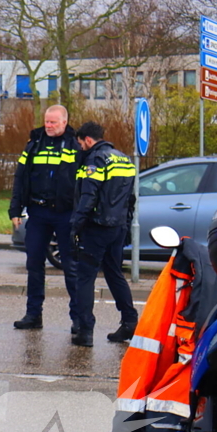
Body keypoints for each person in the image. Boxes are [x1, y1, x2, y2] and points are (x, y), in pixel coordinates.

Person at [9, 105, 82, 331]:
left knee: (71, 267)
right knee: (34, 265)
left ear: (64, 122)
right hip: (38, 212)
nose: (48, 126)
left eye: (53, 122)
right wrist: (15, 209)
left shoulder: (74, 145)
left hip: (65, 213)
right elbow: (20, 177)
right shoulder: (34, 144)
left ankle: (78, 319)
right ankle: (33, 315)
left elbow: (83, 182)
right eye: (47, 122)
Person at [70, 121, 139, 347]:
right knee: (114, 274)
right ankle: (129, 322)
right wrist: (126, 225)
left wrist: (76, 225)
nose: (80, 148)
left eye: (81, 144)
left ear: (88, 140)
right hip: (117, 228)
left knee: (85, 277)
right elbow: (130, 199)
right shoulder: (124, 159)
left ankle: (85, 330)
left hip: (96, 227)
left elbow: (88, 196)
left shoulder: (95, 160)